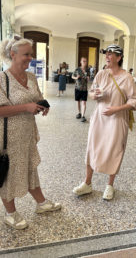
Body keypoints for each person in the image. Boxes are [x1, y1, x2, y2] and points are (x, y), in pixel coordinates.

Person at [0, 36, 61, 230]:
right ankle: (10, 214)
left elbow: (38, 98)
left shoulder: (32, 77)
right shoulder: (2, 79)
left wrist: (43, 105)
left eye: (31, 54)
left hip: (27, 135)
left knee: (30, 168)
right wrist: (26, 107)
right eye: (26, 54)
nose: (30, 58)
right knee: (9, 172)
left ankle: (41, 203)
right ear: (13, 54)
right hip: (7, 137)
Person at [73, 45, 136, 200]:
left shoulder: (127, 78)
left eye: (110, 54)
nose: (107, 57)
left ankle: (110, 185)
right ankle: (87, 183)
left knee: (114, 150)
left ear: (119, 57)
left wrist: (116, 109)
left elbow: (134, 101)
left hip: (117, 119)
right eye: (106, 54)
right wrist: (94, 95)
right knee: (92, 148)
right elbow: (91, 92)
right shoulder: (101, 74)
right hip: (99, 118)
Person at [72, 57, 90, 122]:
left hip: (84, 89)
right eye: (83, 61)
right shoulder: (77, 69)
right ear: (81, 62)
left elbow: (88, 78)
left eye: (86, 61)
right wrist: (76, 77)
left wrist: (88, 78)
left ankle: (83, 116)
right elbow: (72, 76)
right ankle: (79, 113)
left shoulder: (87, 70)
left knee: (84, 102)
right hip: (77, 88)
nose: (85, 62)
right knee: (78, 102)